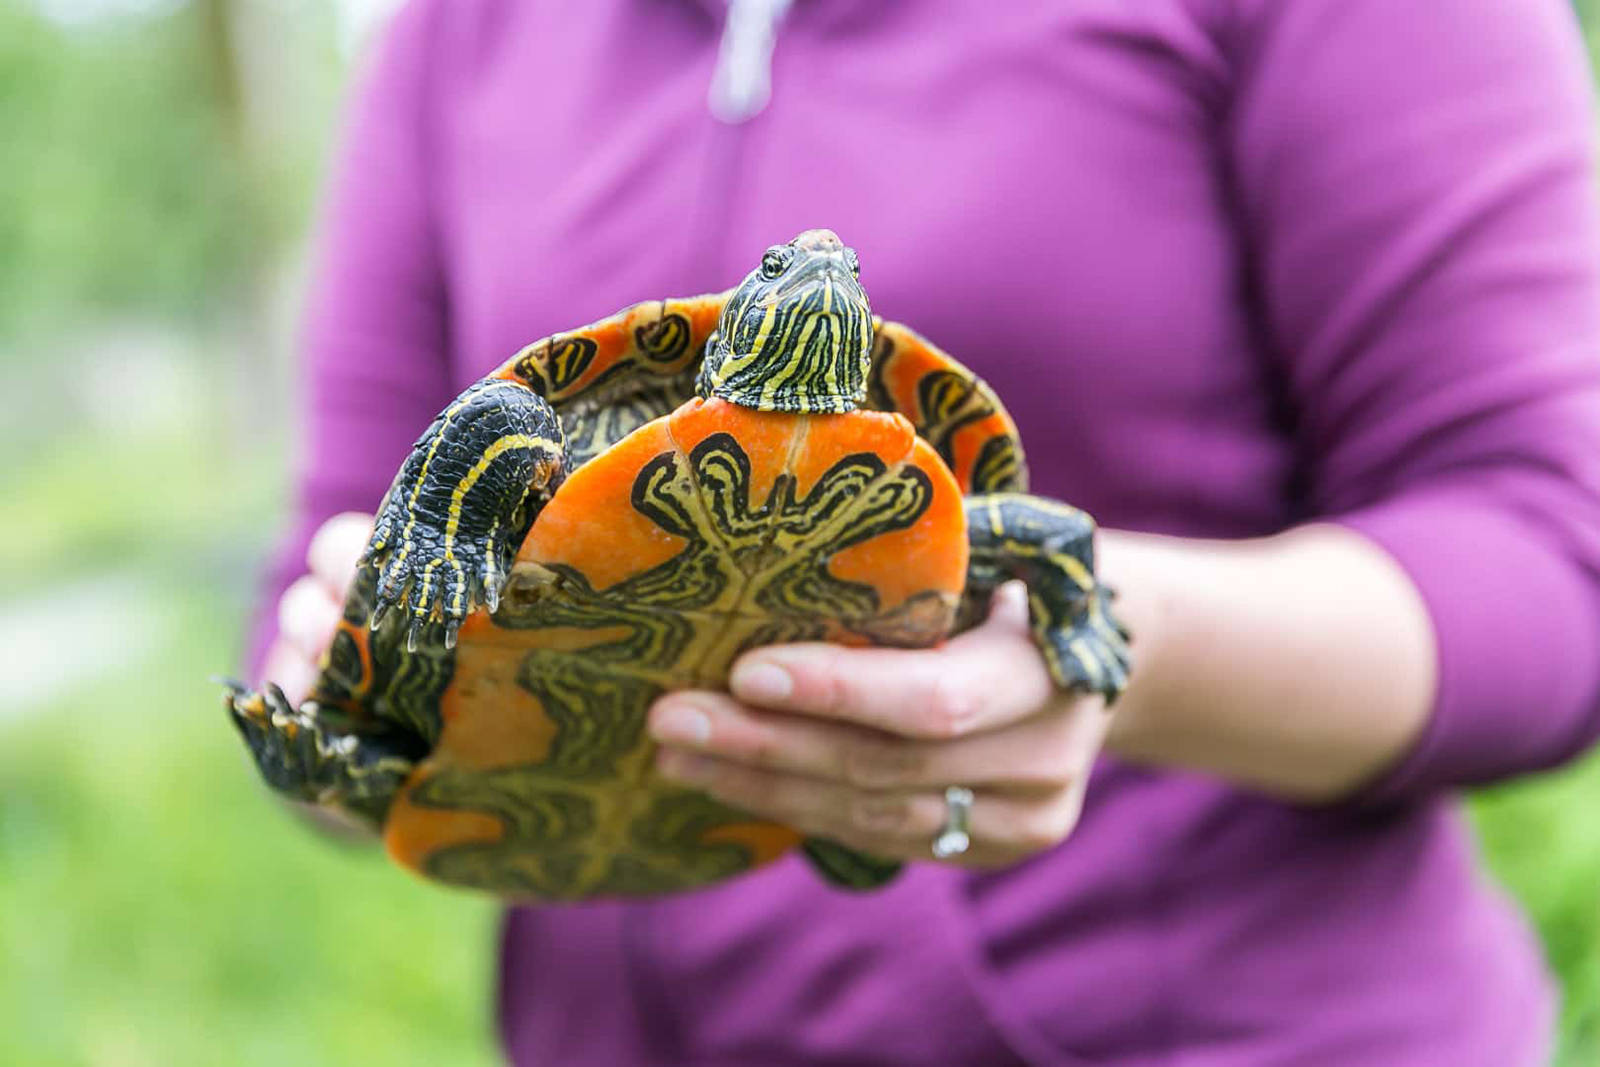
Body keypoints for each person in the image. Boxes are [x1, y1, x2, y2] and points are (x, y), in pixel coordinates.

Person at [250, 1, 1600, 1063]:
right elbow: (330, 558)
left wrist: (1118, 652)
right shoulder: (458, 30)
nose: (817, 282)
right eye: (792, 283)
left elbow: (1554, 555)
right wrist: (353, 682)